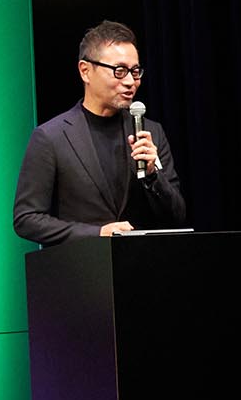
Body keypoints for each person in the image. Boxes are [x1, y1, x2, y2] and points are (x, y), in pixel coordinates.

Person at [14, 19, 188, 244]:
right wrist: (97, 234)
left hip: (141, 269)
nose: (130, 82)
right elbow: (26, 219)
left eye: (135, 71)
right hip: (82, 272)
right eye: (119, 71)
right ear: (85, 71)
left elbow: (176, 216)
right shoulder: (51, 137)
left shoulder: (150, 131)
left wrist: (154, 175)